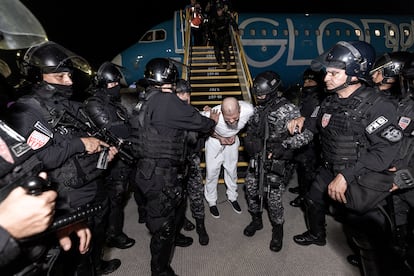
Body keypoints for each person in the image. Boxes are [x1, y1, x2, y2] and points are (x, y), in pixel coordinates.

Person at [5, 41, 121, 275]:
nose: (69, 82)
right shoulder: (28, 111)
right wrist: (80, 144)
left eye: (69, 76)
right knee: (73, 257)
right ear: (40, 77)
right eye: (61, 77)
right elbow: (40, 159)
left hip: (92, 182)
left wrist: (102, 150)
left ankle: (97, 265)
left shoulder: (70, 105)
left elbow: (87, 136)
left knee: (96, 235)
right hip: (69, 195)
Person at [289, 41, 403, 275]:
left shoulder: (378, 106)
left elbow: (384, 152)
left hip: (360, 175)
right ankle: (317, 235)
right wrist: (303, 121)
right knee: (312, 199)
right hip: (330, 167)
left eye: (334, 73)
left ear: (355, 74)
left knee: (366, 238)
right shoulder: (331, 99)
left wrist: (346, 175)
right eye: (327, 72)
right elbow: (320, 122)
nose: (326, 78)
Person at [129, 57, 218, 276]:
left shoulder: (144, 98)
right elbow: (201, 123)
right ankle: (160, 271)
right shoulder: (167, 101)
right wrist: (212, 120)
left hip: (148, 170)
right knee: (163, 227)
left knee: (173, 213)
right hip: (161, 175)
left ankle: (175, 237)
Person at [0, 119, 92, 274]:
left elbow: (33, 175)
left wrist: (61, 217)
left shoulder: (6, 130)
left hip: (43, 253)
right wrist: (5, 230)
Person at [242, 70, 313, 252]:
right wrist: (249, 141)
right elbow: (253, 130)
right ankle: (256, 220)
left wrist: (285, 146)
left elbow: (306, 135)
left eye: (262, 95)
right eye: (257, 95)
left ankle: (278, 229)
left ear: (273, 91)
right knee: (251, 190)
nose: (259, 98)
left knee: (273, 199)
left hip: (277, 161)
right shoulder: (258, 109)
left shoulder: (288, 109)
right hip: (257, 159)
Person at [83, 61, 136, 250]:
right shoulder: (94, 104)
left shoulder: (114, 103)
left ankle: (112, 231)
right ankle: (112, 235)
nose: (115, 88)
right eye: (111, 85)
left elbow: (127, 124)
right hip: (104, 156)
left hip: (120, 154)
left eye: (116, 84)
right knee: (111, 197)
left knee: (119, 196)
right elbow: (113, 131)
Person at [202, 97, 254, 218]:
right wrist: (220, 138)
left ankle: (232, 197)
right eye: (227, 118)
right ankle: (211, 201)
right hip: (215, 142)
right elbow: (201, 127)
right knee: (212, 173)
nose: (231, 121)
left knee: (232, 170)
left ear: (240, 110)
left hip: (232, 141)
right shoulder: (213, 113)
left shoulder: (248, 109)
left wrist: (234, 135)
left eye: (235, 118)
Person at [174, 78, 210, 245]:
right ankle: (181, 220)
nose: (186, 97)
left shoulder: (193, 112)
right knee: (177, 197)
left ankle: (201, 225)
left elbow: (204, 130)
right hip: (174, 162)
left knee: (196, 194)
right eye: (181, 93)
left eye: (188, 93)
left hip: (192, 160)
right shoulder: (169, 113)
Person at [288, 68, 326, 208]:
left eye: (310, 80)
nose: (306, 83)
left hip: (312, 142)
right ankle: (302, 188)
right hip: (302, 139)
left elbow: (315, 121)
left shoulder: (319, 99)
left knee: (308, 172)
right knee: (301, 168)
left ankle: (305, 196)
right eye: (305, 80)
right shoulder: (305, 95)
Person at [208, 1, 239, 70]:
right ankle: (220, 63)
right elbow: (209, 27)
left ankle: (228, 64)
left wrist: (236, 30)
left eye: (220, 10)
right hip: (216, 36)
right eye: (217, 10)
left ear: (222, 9)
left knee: (225, 49)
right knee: (216, 50)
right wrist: (211, 36)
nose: (219, 12)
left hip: (225, 35)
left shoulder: (226, 16)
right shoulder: (213, 17)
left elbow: (233, 22)